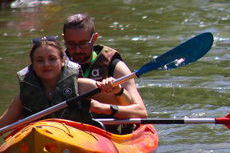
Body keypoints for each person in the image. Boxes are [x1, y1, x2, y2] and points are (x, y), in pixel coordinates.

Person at [0, 36, 134, 130]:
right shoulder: (23, 98)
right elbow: (3, 125)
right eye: (40, 60)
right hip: (40, 145)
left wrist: (117, 90)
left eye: (52, 59)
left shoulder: (82, 86)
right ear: (33, 65)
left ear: (63, 61)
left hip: (79, 141)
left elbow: (127, 104)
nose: (46, 64)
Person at [62, 13, 148, 124]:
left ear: (94, 38)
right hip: (70, 129)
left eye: (83, 43)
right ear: (64, 38)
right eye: (71, 44)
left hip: (108, 130)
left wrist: (103, 108)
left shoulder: (114, 65)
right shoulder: (57, 64)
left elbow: (141, 112)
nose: (77, 50)